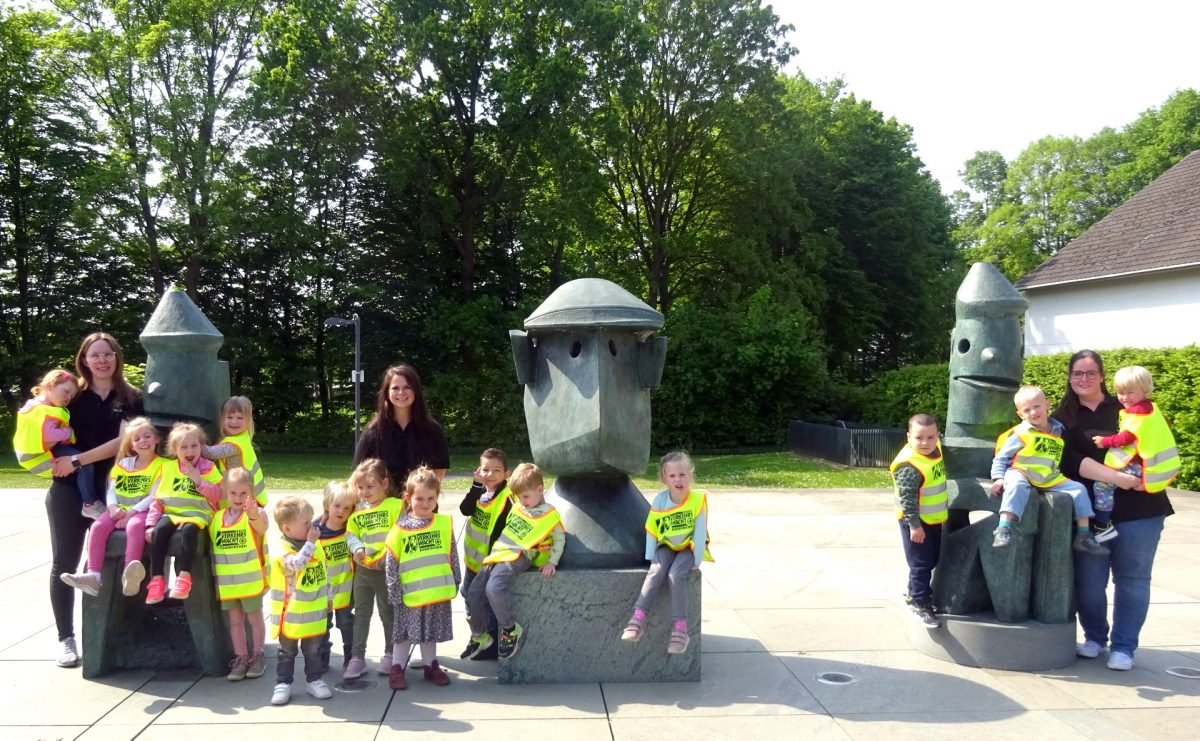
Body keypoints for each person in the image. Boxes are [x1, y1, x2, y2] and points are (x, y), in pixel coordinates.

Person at [1055, 350, 1173, 671]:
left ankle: (1124, 647)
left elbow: (1157, 442)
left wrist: (1148, 477)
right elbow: (1070, 461)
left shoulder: (1129, 406)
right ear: (1069, 377)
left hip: (1142, 509)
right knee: (1090, 583)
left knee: (1133, 579)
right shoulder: (1062, 418)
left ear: (1102, 376)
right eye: (1078, 373)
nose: (1084, 379)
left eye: (1091, 373)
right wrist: (1118, 478)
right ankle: (1095, 637)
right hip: (1092, 515)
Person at [45, 332, 143, 667]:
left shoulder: (131, 398)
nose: (102, 360)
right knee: (64, 563)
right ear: (84, 360)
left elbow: (123, 443)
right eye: (95, 355)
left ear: (117, 357)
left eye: (108, 354)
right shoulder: (70, 396)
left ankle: (120, 636)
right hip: (68, 491)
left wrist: (76, 460)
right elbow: (39, 426)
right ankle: (66, 639)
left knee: (117, 561)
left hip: (114, 492)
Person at [989, 385, 1108, 555]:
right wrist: (998, 478)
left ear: (1047, 404)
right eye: (1027, 410)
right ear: (1020, 415)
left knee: (1079, 489)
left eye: (1036, 406)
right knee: (1015, 485)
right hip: (1023, 472)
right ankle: (1003, 528)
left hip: (1049, 476)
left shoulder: (1058, 431)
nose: (1033, 412)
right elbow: (1001, 457)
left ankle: (1083, 536)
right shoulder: (1021, 433)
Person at [462, 463, 563, 661]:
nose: (522, 502)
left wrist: (552, 562)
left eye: (525, 497)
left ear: (540, 489)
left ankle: (510, 629)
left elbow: (560, 540)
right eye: (520, 497)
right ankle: (479, 635)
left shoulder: (550, 515)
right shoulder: (519, 506)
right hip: (498, 554)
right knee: (473, 591)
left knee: (493, 588)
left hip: (519, 557)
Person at [59, 416, 163, 597]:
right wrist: (113, 507)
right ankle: (93, 576)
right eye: (137, 438)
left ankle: (129, 575)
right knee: (97, 527)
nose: (143, 441)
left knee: (135, 527)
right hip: (119, 509)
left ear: (157, 439)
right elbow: (112, 490)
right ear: (131, 445)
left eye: (147, 436)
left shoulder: (163, 465)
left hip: (144, 510)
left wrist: (131, 513)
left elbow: (156, 494)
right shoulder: (123, 464)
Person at [620, 451, 711, 653]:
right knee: (656, 570)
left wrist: (696, 560)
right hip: (667, 545)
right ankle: (638, 619)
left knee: (675, 574)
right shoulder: (660, 500)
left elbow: (700, 532)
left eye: (682, 474)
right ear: (664, 478)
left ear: (690, 475)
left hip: (688, 548)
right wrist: (650, 557)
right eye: (672, 475)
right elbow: (652, 529)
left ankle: (681, 629)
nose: (678, 479)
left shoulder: (697, 500)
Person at [384, 466, 461, 689]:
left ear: (437, 497)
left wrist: (455, 579)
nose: (425, 503)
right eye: (419, 498)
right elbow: (392, 562)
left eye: (430, 498)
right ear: (408, 498)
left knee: (430, 632)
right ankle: (397, 667)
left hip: (435, 592)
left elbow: (452, 553)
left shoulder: (443, 524)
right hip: (409, 594)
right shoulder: (400, 529)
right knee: (404, 634)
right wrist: (394, 590)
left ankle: (430, 665)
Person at [1089, 365, 1180, 542]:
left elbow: (1126, 438)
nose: (1124, 397)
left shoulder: (1139, 413)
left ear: (1145, 390)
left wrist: (1103, 441)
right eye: (1120, 392)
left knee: (1102, 485)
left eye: (1130, 392)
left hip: (1141, 464)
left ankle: (1102, 524)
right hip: (1152, 464)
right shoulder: (1151, 408)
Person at [144, 422, 223, 603]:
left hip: (197, 514)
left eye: (194, 445)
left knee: (189, 531)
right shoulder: (168, 468)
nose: (190, 450)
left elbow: (219, 494)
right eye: (184, 447)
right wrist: (150, 524)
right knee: (160, 531)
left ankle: (184, 578)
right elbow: (158, 499)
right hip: (172, 513)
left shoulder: (209, 468)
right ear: (175, 450)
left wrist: (199, 481)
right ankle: (157, 580)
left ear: (201, 446)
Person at [267, 496, 333, 705]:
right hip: (290, 616)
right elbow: (297, 564)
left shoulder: (315, 546)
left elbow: (324, 572)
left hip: (313, 613)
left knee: (313, 651)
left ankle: (314, 680)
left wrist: (329, 596)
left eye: (311, 520)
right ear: (287, 528)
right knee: (287, 652)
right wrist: (311, 543)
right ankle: (283, 683)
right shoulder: (281, 550)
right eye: (306, 523)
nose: (311, 526)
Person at [343, 458, 404, 680]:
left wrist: (388, 555)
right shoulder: (357, 512)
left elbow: (401, 532)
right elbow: (350, 535)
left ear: (384, 484)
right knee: (361, 614)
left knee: (388, 614)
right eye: (360, 487)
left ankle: (391, 654)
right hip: (363, 571)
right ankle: (357, 658)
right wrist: (357, 548)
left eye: (370, 486)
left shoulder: (396, 505)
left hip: (386, 570)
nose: (365, 492)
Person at [13, 369, 99, 517]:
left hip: (31, 456)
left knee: (79, 463)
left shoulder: (32, 406)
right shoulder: (46, 411)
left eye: (72, 396)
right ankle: (90, 504)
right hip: (41, 455)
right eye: (66, 391)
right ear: (50, 385)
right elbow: (49, 435)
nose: (68, 398)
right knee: (82, 462)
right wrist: (68, 432)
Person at [889, 414, 947, 629]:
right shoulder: (910, 466)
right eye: (919, 438)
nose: (925, 442)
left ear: (937, 436)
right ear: (908, 437)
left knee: (930, 560)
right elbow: (908, 500)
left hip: (932, 519)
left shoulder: (935, 448)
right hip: (915, 522)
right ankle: (920, 603)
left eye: (931, 437)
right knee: (920, 564)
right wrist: (914, 526)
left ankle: (915, 594)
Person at [211, 467, 268, 682]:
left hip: (250, 581)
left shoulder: (255, 514)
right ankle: (241, 657)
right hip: (228, 583)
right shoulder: (218, 518)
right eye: (233, 493)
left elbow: (262, 528)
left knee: (254, 618)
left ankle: (258, 655)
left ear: (251, 493)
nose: (238, 498)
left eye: (243, 493)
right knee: (235, 621)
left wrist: (254, 515)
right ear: (225, 493)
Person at [352, 364, 450, 484]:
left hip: (420, 496)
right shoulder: (373, 430)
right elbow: (359, 471)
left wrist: (424, 493)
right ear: (387, 393)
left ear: (416, 391)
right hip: (383, 496)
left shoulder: (432, 429)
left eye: (407, 387)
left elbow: (439, 469)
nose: (401, 392)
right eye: (395, 388)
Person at [457, 447, 512, 660]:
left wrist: (495, 560)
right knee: (467, 595)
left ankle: (491, 641)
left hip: (489, 563)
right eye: (485, 469)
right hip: (473, 561)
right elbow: (465, 509)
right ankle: (477, 636)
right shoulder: (480, 492)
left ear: (506, 474)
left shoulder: (506, 498)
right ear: (478, 471)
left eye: (496, 470)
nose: (490, 474)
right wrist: (475, 486)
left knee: (484, 601)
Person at [316, 480, 357, 674]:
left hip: (346, 589)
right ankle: (322, 657)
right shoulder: (316, 531)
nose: (341, 511)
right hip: (323, 591)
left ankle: (351, 657)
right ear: (327, 505)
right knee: (323, 625)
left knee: (346, 624)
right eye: (337, 506)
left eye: (347, 508)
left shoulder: (352, 529)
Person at [203, 396, 268, 507]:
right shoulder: (243, 438)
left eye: (240, 418)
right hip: (249, 493)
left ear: (248, 421)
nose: (234, 421)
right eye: (230, 417)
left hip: (244, 497)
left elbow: (210, 453)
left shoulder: (234, 445)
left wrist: (193, 441)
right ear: (222, 419)